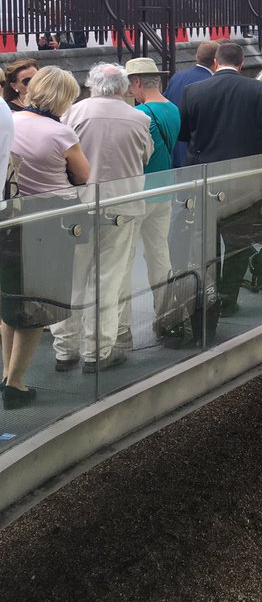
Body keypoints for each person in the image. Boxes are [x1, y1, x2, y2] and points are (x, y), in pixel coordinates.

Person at [51, 64, 152, 374]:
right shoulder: (140, 118)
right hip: (121, 205)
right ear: (123, 87)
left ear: (90, 84)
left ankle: (64, 349)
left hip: (78, 207)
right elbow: (144, 157)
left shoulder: (73, 113)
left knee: (72, 279)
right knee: (108, 279)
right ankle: (97, 350)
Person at [178, 42, 262, 316]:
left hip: (205, 175)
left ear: (216, 62)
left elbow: (184, 134)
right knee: (239, 239)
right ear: (241, 64)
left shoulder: (193, 90)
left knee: (207, 239)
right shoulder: (258, 90)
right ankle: (229, 296)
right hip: (245, 176)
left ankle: (210, 295)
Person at [1, 69, 90, 407]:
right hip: (51, 221)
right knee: (37, 304)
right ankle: (17, 384)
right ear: (66, 97)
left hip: (11, 216)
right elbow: (83, 175)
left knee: (10, 298)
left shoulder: (10, 121)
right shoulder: (61, 133)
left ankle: (7, 374)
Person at [123, 58, 182, 342]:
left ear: (137, 83)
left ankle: (123, 326)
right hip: (165, 190)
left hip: (140, 193)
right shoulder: (172, 108)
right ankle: (166, 315)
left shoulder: (141, 113)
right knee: (159, 255)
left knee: (124, 259)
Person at [163, 40, 217, 167]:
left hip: (176, 147)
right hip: (198, 152)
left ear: (197, 57)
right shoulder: (212, 83)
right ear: (216, 61)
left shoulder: (177, 77)